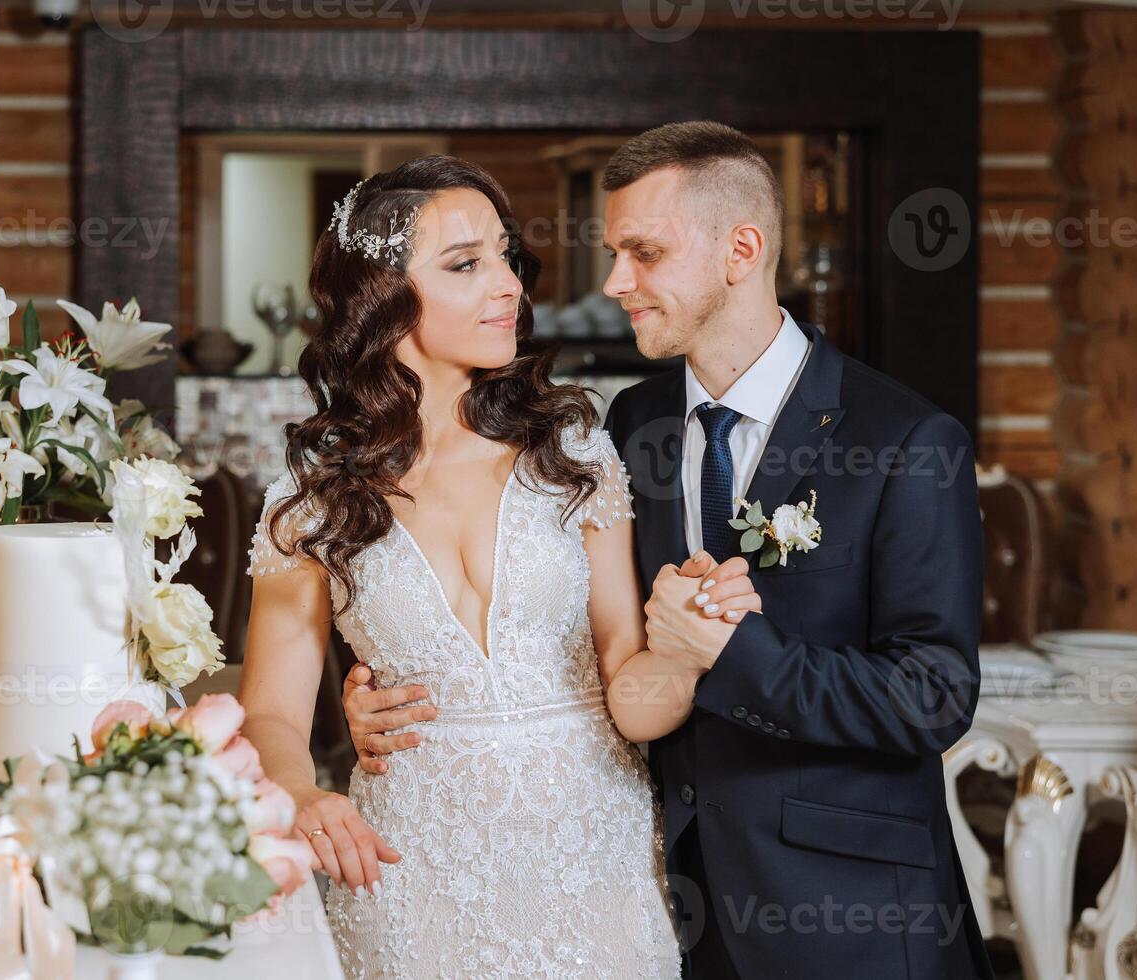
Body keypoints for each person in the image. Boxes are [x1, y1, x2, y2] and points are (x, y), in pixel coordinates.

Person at [341, 123, 994, 980]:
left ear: (741, 250)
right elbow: (576, 642)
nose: (616, 283)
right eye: (616, 253)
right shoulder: (630, 424)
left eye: (644, 253)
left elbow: (933, 697)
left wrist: (732, 652)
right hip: (660, 892)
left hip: (845, 909)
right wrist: (383, 702)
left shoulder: (905, 440)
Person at [238, 153, 763, 979]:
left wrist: (687, 648)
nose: (510, 284)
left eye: (507, 256)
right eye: (466, 264)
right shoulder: (311, 503)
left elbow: (632, 693)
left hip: (593, 875)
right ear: (383, 295)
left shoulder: (576, 456)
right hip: (409, 877)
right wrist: (301, 794)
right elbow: (269, 713)